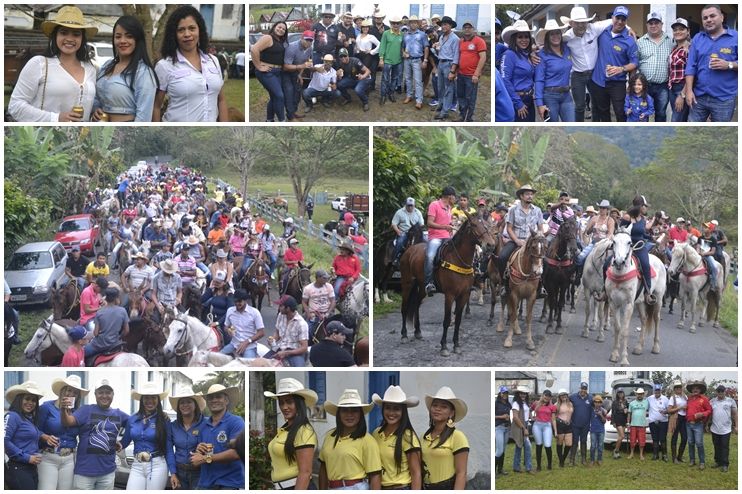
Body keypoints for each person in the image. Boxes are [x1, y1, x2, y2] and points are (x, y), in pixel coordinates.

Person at [8, 6, 97, 122]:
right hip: (45, 136)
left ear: (82, 38)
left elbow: (87, 101)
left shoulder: (91, 69)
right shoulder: (39, 64)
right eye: (63, 33)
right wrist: (55, 118)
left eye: (76, 34)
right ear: (55, 36)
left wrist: (96, 111)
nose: (69, 38)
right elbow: (15, 106)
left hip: (79, 136)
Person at [154, 6, 227, 122]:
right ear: (174, 34)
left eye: (192, 28)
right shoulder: (164, 66)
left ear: (200, 30)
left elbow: (221, 99)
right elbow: (156, 106)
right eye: (181, 30)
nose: (187, 34)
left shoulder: (213, 61)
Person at [61, 378, 129, 489]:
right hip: (84, 472)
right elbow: (67, 422)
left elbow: (135, 424)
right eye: (100, 392)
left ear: (113, 394)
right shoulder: (86, 410)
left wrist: (123, 442)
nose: (104, 396)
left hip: (108, 472)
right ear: (95, 394)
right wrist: (63, 409)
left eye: (108, 392)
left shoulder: (119, 414)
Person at [92, 15, 157, 122]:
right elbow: (96, 98)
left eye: (129, 36)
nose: (122, 41)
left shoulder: (144, 72)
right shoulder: (107, 66)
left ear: (137, 39)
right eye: (118, 36)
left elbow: (144, 117)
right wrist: (95, 110)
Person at [319, 389, 381, 490]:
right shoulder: (329, 436)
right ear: (339, 413)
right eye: (345, 410)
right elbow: (323, 467)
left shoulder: (367, 440)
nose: (349, 414)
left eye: (354, 410)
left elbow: (375, 476)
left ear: (360, 414)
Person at [685, 5, 738, 122]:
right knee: (691, 131)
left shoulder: (736, 38)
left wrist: (729, 65)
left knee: (719, 134)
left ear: (722, 17)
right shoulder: (698, 38)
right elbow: (690, 66)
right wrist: (688, 91)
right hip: (699, 97)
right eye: (705, 18)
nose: (708, 20)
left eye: (712, 16)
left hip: (724, 98)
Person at [264, 378, 318, 490]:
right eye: (281, 402)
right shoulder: (284, 429)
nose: (284, 407)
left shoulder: (303, 430)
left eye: (289, 402)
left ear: (299, 403)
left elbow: (305, 473)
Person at [588, 6, 638, 122]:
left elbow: (634, 63)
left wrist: (622, 69)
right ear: (612, 17)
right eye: (618, 18)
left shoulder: (629, 40)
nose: (620, 22)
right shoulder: (601, 33)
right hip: (599, 82)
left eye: (623, 19)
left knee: (620, 113)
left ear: (626, 21)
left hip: (617, 83)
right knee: (603, 112)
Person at [191, 384, 245, 489]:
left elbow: (237, 452)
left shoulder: (236, 422)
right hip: (206, 482)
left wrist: (205, 458)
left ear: (226, 401)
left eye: (218, 397)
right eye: (211, 398)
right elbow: (200, 455)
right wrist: (199, 450)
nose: (214, 400)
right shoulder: (203, 425)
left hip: (229, 482)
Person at [37, 376, 87, 489]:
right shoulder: (46, 407)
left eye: (75, 392)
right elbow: (34, 429)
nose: (71, 394)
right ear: (62, 391)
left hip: (69, 459)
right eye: (69, 390)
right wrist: (45, 437)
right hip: (48, 457)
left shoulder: (78, 413)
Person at [121, 382, 171, 489]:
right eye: (146, 398)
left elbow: (168, 447)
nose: (150, 401)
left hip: (157, 465)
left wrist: (174, 471)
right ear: (142, 400)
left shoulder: (163, 420)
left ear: (158, 400)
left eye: (153, 397)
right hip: (137, 465)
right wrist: (113, 444)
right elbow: (125, 442)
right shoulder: (133, 419)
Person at [371, 386, 422, 489]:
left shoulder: (408, 436)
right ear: (383, 409)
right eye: (388, 408)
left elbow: (416, 473)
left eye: (396, 409)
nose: (391, 413)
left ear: (403, 411)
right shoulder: (376, 433)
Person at [420, 386, 469, 488]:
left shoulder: (457, 437)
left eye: (444, 406)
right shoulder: (423, 437)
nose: (438, 409)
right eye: (435, 405)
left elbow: (461, 473)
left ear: (451, 413)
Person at [499, 185, 545, 289]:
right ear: (521, 196)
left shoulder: (537, 210)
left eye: (531, 194)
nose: (530, 196)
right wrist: (517, 241)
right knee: (502, 257)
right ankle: (504, 284)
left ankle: (541, 286)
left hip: (532, 242)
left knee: (544, 260)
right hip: (516, 241)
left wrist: (539, 238)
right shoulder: (513, 210)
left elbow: (540, 228)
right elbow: (509, 228)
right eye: (527, 194)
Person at [4, 381, 47, 489]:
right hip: (18, 468)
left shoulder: (29, 419)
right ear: (19, 399)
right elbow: (4, 441)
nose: (31, 403)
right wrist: (27, 457)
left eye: (33, 400)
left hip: (31, 468)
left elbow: (30, 436)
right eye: (27, 399)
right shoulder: (12, 416)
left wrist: (45, 437)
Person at [534, 20, 574, 122]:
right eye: (552, 34)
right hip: (549, 96)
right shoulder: (542, 55)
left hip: (566, 94)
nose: (555, 36)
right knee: (552, 128)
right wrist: (539, 103)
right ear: (547, 37)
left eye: (557, 33)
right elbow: (539, 80)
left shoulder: (567, 49)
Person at [620, 195, 657, 304]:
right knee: (607, 262)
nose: (646, 208)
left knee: (646, 264)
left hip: (640, 247)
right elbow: (620, 231)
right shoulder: (627, 217)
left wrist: (651, 238)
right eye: (645, 206)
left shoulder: (643, 219)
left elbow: (643, 234)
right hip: (626, 247)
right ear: (640, 206)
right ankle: (604, 290)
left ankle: (648, 292)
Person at [636, 12, 673, 122]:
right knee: (642, 113)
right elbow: (635, 63)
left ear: (661, 24)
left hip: (663, 86)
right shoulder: (640, 42)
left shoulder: (671, 41)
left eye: (656, 23)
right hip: (645, 85)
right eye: (650, 23)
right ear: (647, 25)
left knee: (661, 113)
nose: (653, 25)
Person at [167, 390, 207, 490]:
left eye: (189, 401)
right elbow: (169, 450)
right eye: (182, 402)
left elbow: (212, 447)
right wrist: (173, 473)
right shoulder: (173, 426)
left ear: (195, 405)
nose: (185, 405)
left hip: (200, 473)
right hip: (179, 472)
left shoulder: (206, 423)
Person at [252, 21, 289, 122]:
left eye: (283, 29)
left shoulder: (280, 41)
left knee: (274, 97)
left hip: (278, 72)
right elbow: (254, 49)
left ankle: (269, 120)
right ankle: (282, 121)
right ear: (274, 27)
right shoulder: (268, 38)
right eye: (279, 27)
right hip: (267, 72)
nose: (281, 30)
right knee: (279, 96)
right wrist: (258, 66)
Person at [501, 20, 535, 122]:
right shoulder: (509, 55)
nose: (524, 40)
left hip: (529, 99)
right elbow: (505, 80)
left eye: (526, 36)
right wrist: (518, 103)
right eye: (520, 37)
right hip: (517, 100)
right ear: (514, 39)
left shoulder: (527, 55)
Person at [424, 186, 455, 296]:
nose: (455, 199)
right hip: (435, 237)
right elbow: (429, 223)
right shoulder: (434, 205)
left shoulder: (449, 208)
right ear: (450, 196)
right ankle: (428, 283)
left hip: (447, 236)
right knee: (430, 256)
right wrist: (444, 227)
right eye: (454, 197)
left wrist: (451, 226)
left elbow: (448, 223)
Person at [83, 287, 129, 362]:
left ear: (106, 298)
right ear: (116, 299)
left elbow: (95, 333)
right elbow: (126, 330)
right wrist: (118, 337)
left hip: (99, 345)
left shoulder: (100, 312)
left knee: (81, 353)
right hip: (115, 344)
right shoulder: (123, 311)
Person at [455, 20, 486, 122]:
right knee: (461, 96)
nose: (467, 29)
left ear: (473, 29)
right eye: (465, 27)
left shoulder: (479, 41)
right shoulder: (461, 41)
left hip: (471, 76)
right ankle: (462, 115)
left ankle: (468, 118)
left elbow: (483, 58)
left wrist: (476, 74)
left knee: (470, 98)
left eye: (469, 27)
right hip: (461, 74)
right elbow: (458, 56)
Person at [221, 288, 264, 358]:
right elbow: (225, 326)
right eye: (235, 301)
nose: (237, 303)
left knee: (248, 366)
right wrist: (228, 330)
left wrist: (247, 342)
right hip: (234, 344)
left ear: (245, 300)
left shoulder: (255, 312)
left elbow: (261, 333)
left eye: (239, 301)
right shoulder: (230, 311)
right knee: (217, 357)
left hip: (249, 347)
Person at [282, 30, 314, 121]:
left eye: (311, 40)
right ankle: (290, 116)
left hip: (296, 71)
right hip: (286, 72)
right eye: (307, 40)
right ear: (302, 38)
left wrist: (300, 75)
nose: (308, 42)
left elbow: (306, 62)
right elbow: (285, 67)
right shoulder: (292, 47)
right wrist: (301, 66)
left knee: (297, 91)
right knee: (289, 91)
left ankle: (294, 112)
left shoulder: (310, 49)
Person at [270, 295, 309, 367]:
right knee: (260, 363)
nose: (279, 308)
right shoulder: (280, 315)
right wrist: (273, 339)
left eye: (281, 306)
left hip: (294, 352)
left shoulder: (301, 324)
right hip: (280, 348)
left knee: (299, 369)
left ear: (288, 308)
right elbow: (277, 333)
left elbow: (304, 347)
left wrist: (286, 353)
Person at [432, 17, 459, 120]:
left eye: (446, 24)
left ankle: (445, 111)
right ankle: (441, 104)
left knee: (448, 88)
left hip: (449, 64)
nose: (443, 26)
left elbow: (456, 55)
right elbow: (441, 52)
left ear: (451, 26)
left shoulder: (455, 38)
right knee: (440, 86)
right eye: (442, 25)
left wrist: (453, 70)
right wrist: (436, 49)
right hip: (441, 63)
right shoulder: (441, 37)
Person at [401, 16, 429, 110]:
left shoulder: (422, 34)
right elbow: (403, 47)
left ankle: (419, 100)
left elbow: (426, 47)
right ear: (409, 24)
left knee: (418, 81)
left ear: (418, 24)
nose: (413, 24)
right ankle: (409, 95)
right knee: (408, 79)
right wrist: (404, 53)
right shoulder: (405, 35)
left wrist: (425, 60)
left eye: (415, 22)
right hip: (407, 60)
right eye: (411, 22)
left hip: (417, 60)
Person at [302, 269, 336, 342]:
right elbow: (304, 302)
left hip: (327, 313)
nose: (326, 280)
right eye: (324, 278)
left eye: (327, 278)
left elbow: (333, 301)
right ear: (317, 278)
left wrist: (328, 313)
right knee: (307, 331)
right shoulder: (308, 288)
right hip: (314, 313)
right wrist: (308, 314)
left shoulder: (329, 286)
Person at [668, 18, 692, 122]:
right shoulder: (674, 49)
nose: (678, 32)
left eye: (681, 29)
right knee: (680, 118)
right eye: (675, 30)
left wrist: (682, 95)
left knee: (676, 120)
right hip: (671, 87)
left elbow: (691, 73)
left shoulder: (690, 49)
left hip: (682, 88)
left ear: (688, 31)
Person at [710, 385, 737, 472]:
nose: (720, 393)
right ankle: (718, 462)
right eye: (719, 392)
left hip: (726, 429)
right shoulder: (712, 401)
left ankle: (725, 464)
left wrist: (737, 426)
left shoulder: (731, 401)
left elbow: (735, 414)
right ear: (716, 392)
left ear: (725, 392)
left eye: (722, 392)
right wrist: (706, 424)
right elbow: (708, 413)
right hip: (714, 428)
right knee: (716, 446)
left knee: (725, 447)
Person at [391, 197, 424, 268]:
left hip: (415, 232)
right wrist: (398, 231)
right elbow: (394, 224)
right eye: (408, 205)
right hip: (404, 232)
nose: (410, 207)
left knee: (425, 241)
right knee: (400, 242)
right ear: (406, 205)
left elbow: (421, 224)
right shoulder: (399, 212)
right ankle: (395, 259)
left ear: (414, 205)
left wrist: (417, 228)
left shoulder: (418, 212)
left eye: (411, 205)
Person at [378, 16, 404, 106]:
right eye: (393, 23)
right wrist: (381, 58)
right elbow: (382, 46)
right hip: (387, 60)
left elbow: (403, 47)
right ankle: (383, 95)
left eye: (397, 23)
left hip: (398, 61)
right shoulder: (386, 33)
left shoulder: (402, 34)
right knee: (385, 79)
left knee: (394, 78)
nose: (395, 25)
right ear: (391, 24)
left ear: (400, 24)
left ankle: (391, 93)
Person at [686, 380, 712, 469]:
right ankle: (692, 460)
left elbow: (709, 410)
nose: (695, 390)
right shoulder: (689, 399)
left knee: (699, 443)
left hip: (698, 425)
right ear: (691, 390)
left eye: (697, 388)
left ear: (700, 390)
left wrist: (702, 414)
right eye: (693, 388)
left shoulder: (704, 399)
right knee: (690, 442)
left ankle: (702, 462)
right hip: (688, 424)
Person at [530, 389, 557, 471]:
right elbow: (530, 410)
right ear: (543, 395)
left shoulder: (552, 406)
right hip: (537, 425)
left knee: (548, 445)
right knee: (539, 445)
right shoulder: (536, 403)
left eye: (549, 396)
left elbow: (553, 419)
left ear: (550, 398)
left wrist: (555, 431)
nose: (547, 397)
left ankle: (549, 465)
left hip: (547, 426)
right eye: (546, 395)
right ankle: (538, 466)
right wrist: (531, 417)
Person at [509, 386, 532, 474]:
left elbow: (526, 413)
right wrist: (524, 428)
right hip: (519, 426)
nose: (523, 395)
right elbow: (515, 417)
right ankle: (528, 468)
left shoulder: (524, 402)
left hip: (525, 423)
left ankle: (516, 467)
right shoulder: (516, 404)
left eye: (524, 393)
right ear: (518, 394)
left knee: (519, 447)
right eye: (521, 393)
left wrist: (531, 417)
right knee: (528, 447)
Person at [568, 382, 592, 466]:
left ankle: (583, 459)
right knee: (574, 442)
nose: (583, 390)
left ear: (587, 389)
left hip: (585, 425)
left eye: (585, 389)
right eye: (582, 388)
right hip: (575, 424)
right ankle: (572, 460)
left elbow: (596, 407)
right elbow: (564, 403)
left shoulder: (590, 398)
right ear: (579, 388)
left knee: (583, 441)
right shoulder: (572, 397)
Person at [667, 380, 688, 464]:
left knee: (684, 438)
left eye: (680, 387)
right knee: (674, 438)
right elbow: (669, 410)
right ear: (674, 389)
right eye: (677, 388)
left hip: (684, 418)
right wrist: (679, 408)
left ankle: (680, 456)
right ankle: (674, 458)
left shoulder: (685, 396)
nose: (679, 389)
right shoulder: (673, 398)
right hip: (676, 418)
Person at [647, 383, 670, 461]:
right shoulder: (649, 398)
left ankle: (664, 455)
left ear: (661, 391)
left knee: (663, 439)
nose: (657, 392)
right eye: (656, 391)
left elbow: (669, 410)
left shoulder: (665, 399)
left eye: (658, 390)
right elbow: (645, 407)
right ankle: (655, 455)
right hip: (652, 422)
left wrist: (665, 411)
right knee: (655, 439)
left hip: (663, 422)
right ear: (653, 391)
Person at [627, 388, 649, 460]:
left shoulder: (646, 402)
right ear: (636, 394)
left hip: (642, 425)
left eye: (641, 394)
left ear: (643, 395)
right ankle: (632, 453)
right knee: (632, 440)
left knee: (641, 440)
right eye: (638, 394)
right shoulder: (632, 403)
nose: (640, 395)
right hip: (633, 424)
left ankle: (641, 454)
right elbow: (629, 414)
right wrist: (628, 423)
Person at [494, 386, 511, 476]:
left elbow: (510, 415)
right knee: (499, 450)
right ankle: (494, 471)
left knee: (503, 450)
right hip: (499, 428)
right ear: (500, 394)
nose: (505, 395)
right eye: (503, 393)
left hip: (507, 428)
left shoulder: (508, 404)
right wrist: (502, 417)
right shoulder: (496, 404)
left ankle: (500, 469)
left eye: (506, 393)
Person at [554, 389, 573, 467]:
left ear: (567, 395)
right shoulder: (556, 405)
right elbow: (553, 418)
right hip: (560, 425)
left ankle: (563, 459)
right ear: (559, 396)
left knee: (569, 444)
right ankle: (561, 462)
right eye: (562, 395)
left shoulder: (570, 404)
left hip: (569, 425)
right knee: (560, 443)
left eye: (565, 395)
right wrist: (555, 430)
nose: (564, 396)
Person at [610, 388, 629, 459]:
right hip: (617, 420)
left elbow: (627, 412)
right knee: (622, 436)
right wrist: (613, 422)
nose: (620, 394)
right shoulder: (614, 402)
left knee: (620, 437)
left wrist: (627, 421)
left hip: (623, 420)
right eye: (619, 393)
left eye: (621, 393)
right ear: (617, 394)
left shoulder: (625, 401)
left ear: (623, 393)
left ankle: (616, 452)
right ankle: (616, 451)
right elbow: (613, 413)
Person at [589, 394, 607, 466]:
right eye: (596, 402)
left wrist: (601, 415)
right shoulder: (591, 410)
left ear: (601, 403)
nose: (597, 403)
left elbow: (604, 421)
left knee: (600, 446)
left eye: (599, 402)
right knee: (593, 446)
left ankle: (599, 459)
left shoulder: (603, 410)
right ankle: (592, 460)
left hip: (601, 431)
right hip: (593, 430)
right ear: (594, 402)